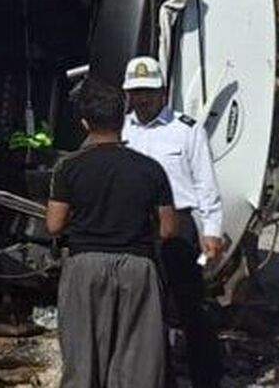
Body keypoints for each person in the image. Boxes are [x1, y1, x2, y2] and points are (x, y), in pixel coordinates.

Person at [47, 77, 178, 388]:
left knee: (82, 360)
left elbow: (53, 225)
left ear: (84, 123)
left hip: (85, 267)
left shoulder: (69, 167)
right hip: (137, 268)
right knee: (137, 364)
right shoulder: (150, 169)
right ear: (122, 120)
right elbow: (169, 229)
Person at [120, 56, 225, 388]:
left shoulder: (185, 129)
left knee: (191, 306)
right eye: (136, 92)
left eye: (149, 91)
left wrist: (212, 231)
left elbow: (205, 183)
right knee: (144, 309)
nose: (142, 99)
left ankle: (205, 379)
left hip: (178, 227)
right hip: (136, 227)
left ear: (163, 91)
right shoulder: (121, 130)